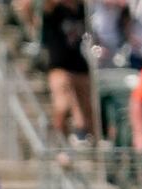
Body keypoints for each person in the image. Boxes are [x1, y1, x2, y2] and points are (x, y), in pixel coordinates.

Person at [42, 0, 93, 143]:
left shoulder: (82, 10)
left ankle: (85, 138)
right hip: (59, 66)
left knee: (89, 109)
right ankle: (60, 142)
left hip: (80, 66)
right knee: (62, 106)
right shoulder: (54, 9)